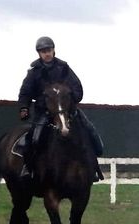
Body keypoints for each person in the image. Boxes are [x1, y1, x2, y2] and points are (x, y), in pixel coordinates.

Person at [17, 36, 104, 181]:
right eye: (43, 51)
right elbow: (25, 92)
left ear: (53, 50)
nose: (47, 53)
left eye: (49, 50)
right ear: (39, 53)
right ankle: (28, 168)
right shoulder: (34, 72)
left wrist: (70, 99)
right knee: (34, 137)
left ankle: (94, 167)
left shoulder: (64, 68)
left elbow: (77, 87)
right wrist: (24, 108)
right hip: (44, 112)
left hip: (66, 109)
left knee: (88, 130)